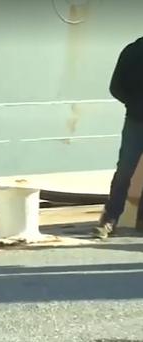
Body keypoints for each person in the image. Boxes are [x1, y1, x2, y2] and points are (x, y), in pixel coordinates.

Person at [94, 35, 143, 238]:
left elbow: (116, 88)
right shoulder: (133, 52)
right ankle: (110, 219)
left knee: (125, 171)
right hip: (136, 121)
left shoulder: (131, 50)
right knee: (125, 170)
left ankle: (128, 220)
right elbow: (116, 86)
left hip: (134, 118)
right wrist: (135, 104)